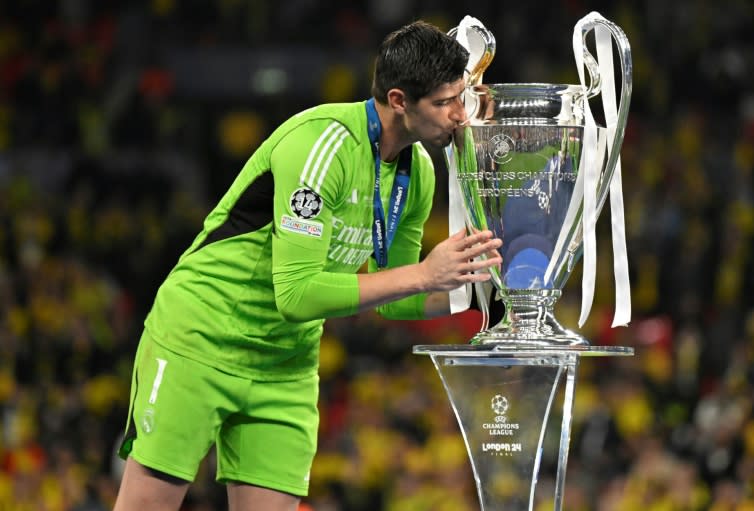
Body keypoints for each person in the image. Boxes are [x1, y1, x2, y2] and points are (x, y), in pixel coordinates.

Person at [112, 20, 502, 511]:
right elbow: (295, 295)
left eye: (461, 97)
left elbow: (394, 301)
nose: (460, 116)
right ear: (400, 100)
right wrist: (426, 273)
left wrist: (476, 291)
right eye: (445, 102)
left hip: (285, 366)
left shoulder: (417, 173)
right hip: (200, 340)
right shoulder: (324, 145)